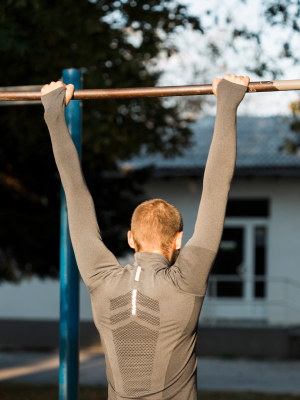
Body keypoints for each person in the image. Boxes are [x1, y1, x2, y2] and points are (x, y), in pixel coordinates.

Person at [41, 74, 249, 400]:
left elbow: (75, 194)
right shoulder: (185, 283)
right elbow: (216, 189)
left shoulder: (102, 280)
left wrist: (53, 114)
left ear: (130, 238)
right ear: (178, 240)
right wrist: (228, 101)